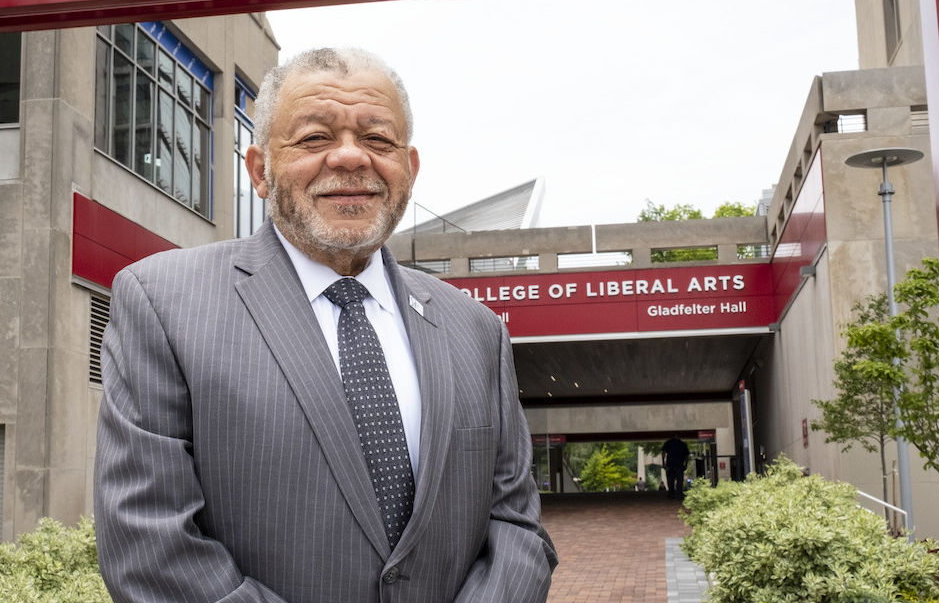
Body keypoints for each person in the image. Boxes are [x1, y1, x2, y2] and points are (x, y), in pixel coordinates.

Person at [95, 48, 557, 603]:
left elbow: (515, 525)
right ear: (260, 170)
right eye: (315, 139)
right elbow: (150, 542)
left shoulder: (476, 329)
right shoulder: (162, 303)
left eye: (378, 140)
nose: (349, 158)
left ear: (409, 170)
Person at [661, 435, 690, 500]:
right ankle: (679, 494)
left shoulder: (668, 442)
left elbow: (663, 453)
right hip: (679, 464)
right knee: (679, 480)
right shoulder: (682, 444)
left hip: (670, 464)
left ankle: (671, 494)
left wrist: (663, 463)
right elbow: (686, 455)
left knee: (670, 480)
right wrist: (686, 464)